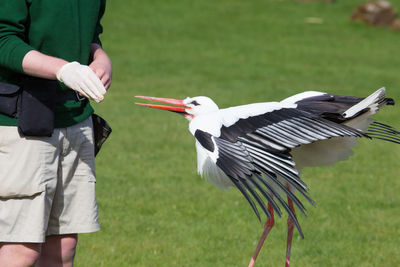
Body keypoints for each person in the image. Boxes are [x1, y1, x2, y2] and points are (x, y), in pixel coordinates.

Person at [0, 1, 112, 266]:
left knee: (62, 248)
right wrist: (62, 69)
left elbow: (89, 34)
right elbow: (3, 40)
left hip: (75, 118)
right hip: (21, 124)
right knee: (21, 250)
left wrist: (99, 57)